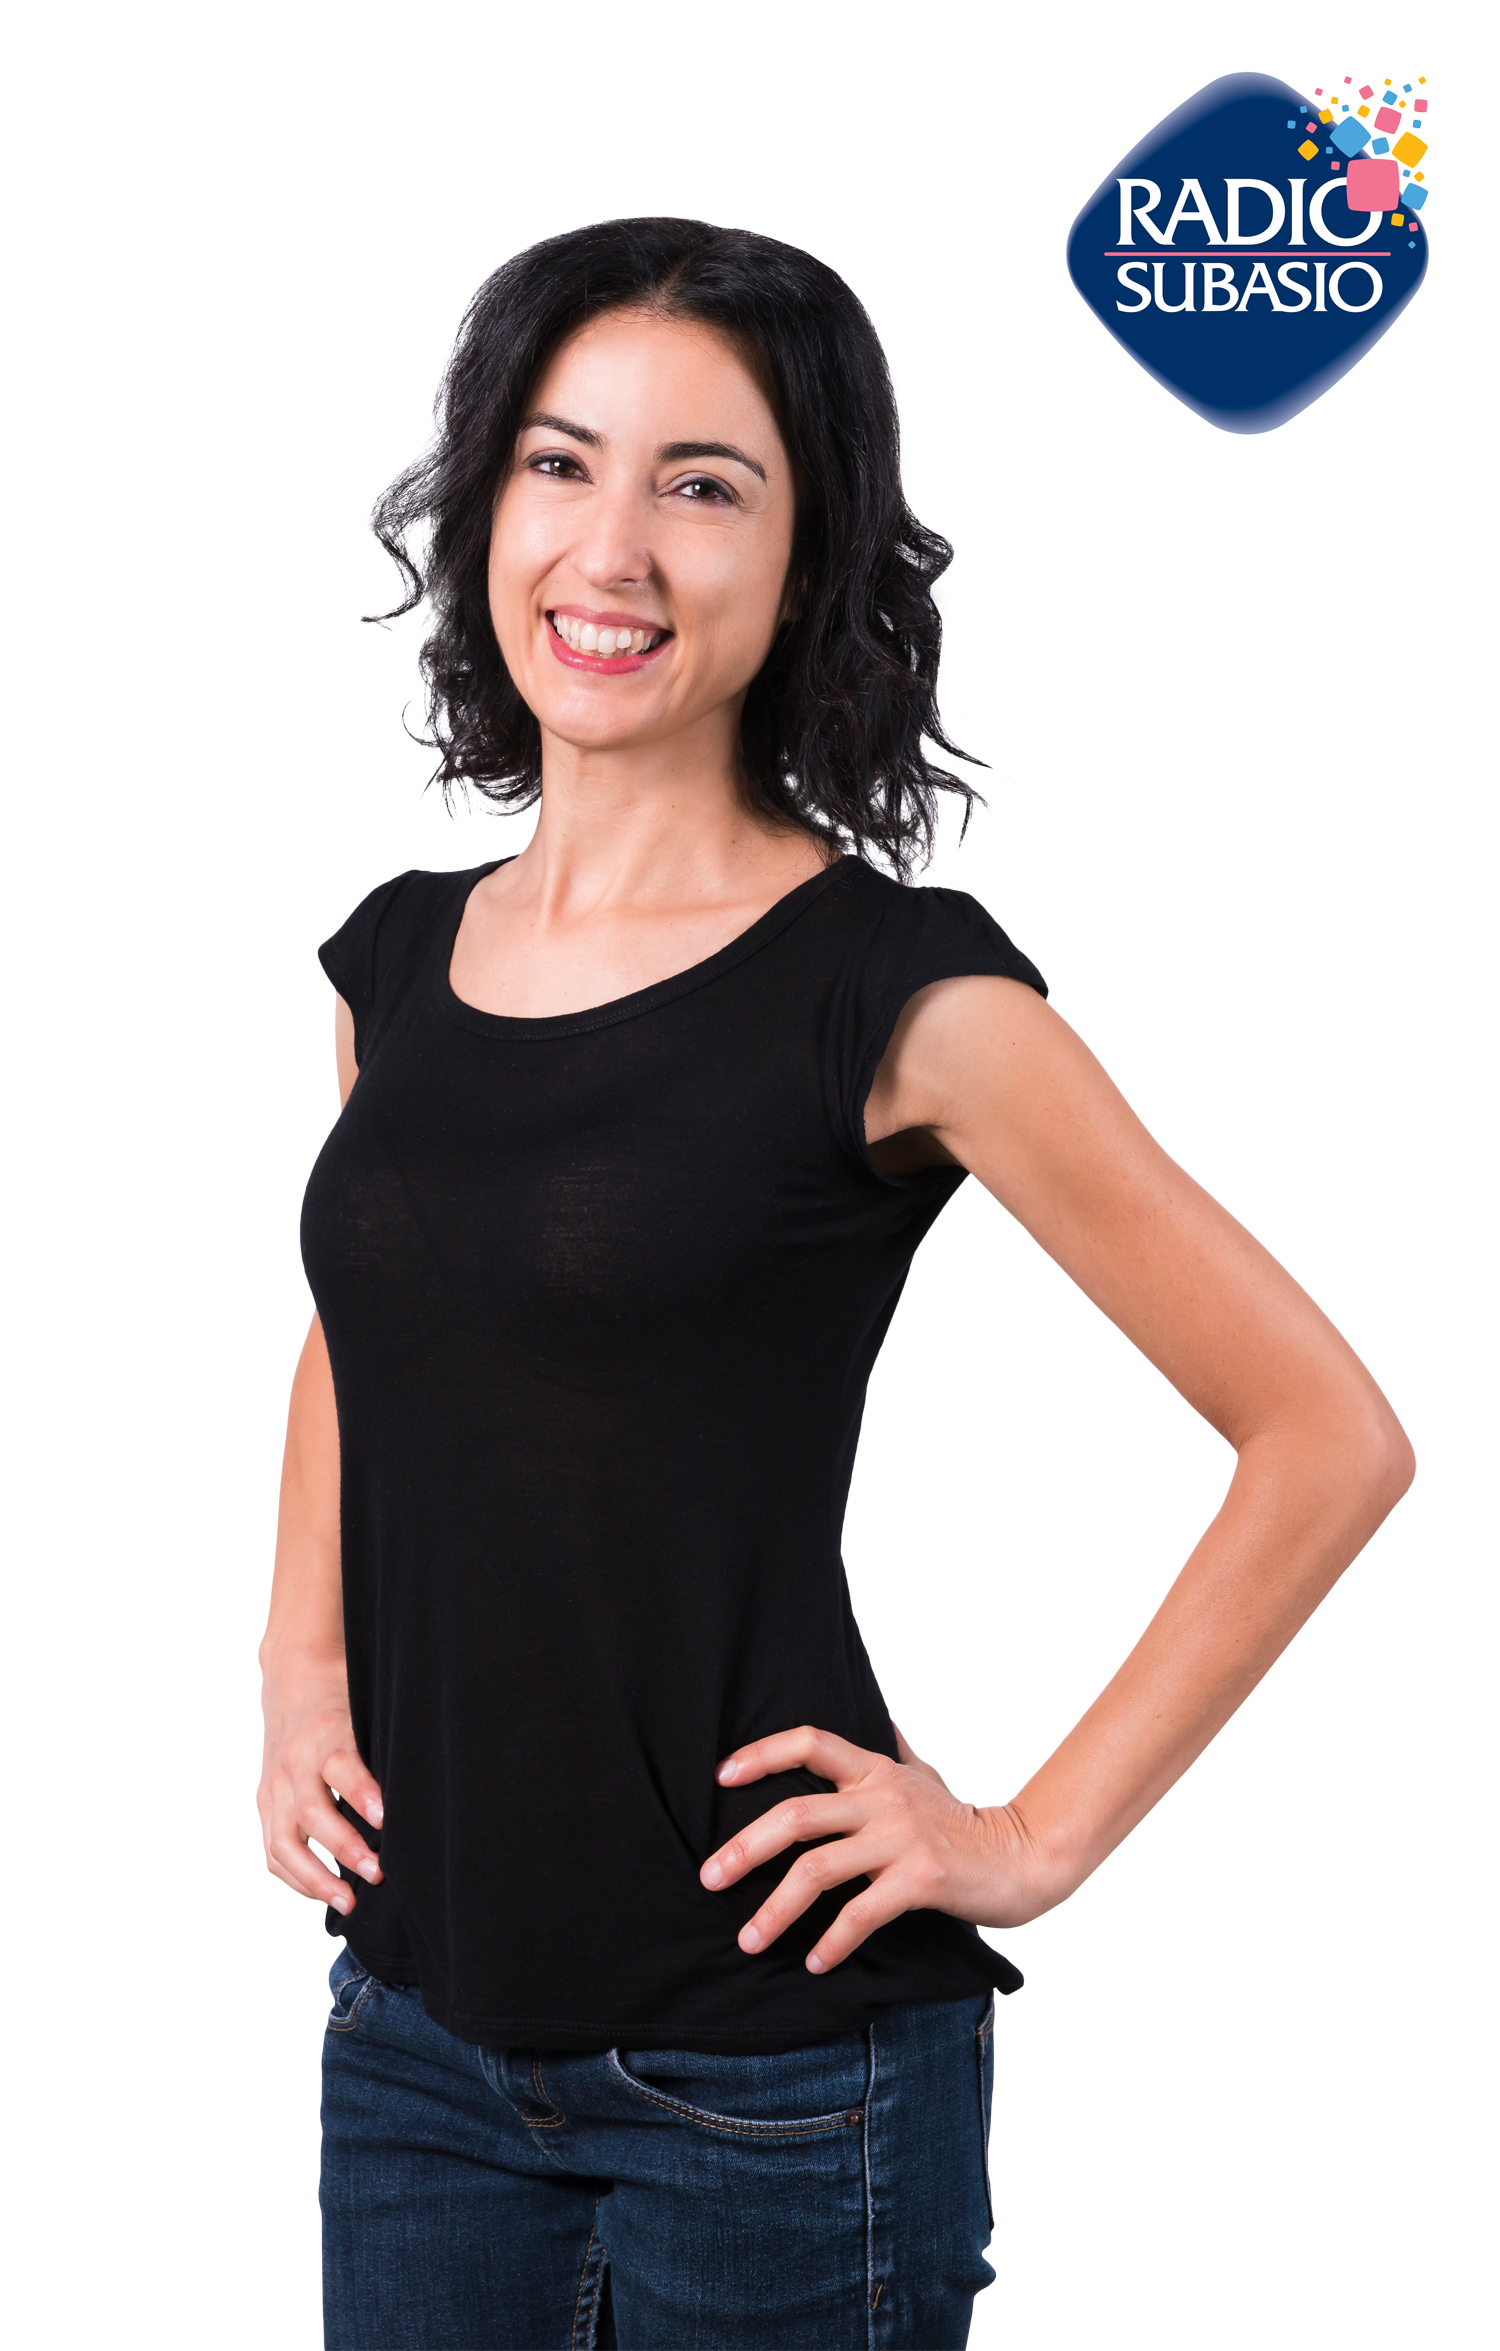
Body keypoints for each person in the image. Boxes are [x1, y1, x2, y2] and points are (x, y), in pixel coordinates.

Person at [258, 216, 1413, 2351]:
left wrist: (1030, 1838)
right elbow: (379, 1322)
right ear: (486, 501)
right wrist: (296, 1663)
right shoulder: (396, 960)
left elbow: (1327, 1436)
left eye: (703, 485)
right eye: (559, 462)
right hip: (413, 2046)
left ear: (808, 561)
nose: (612, 548)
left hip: (775, 2091)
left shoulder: (903, 996)